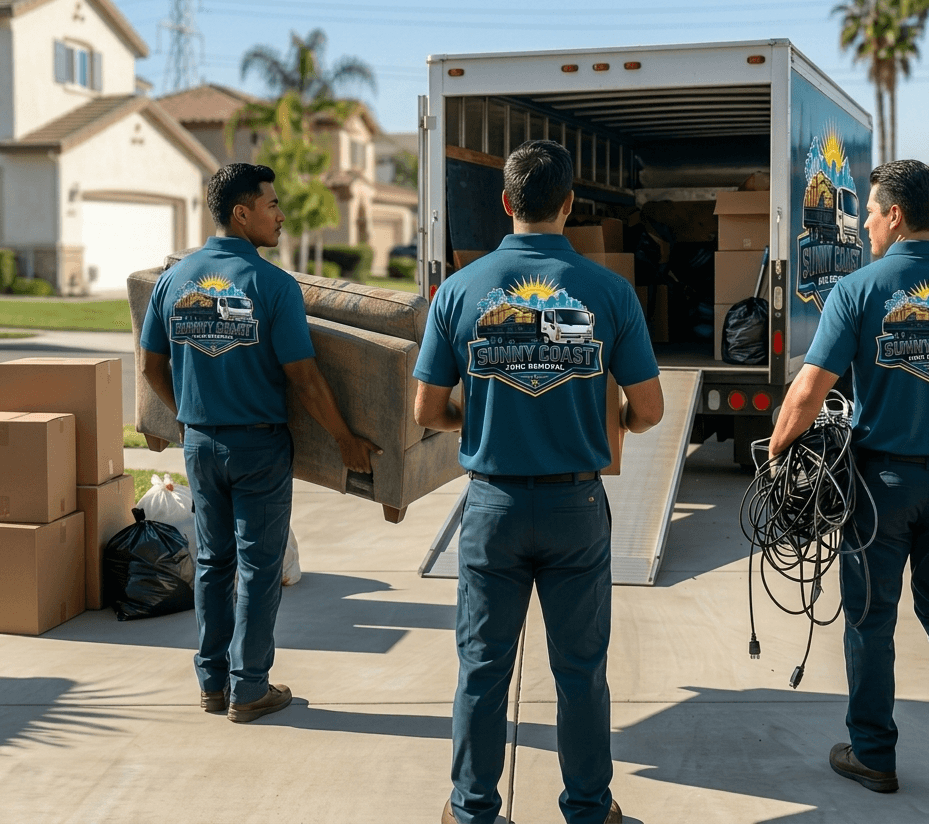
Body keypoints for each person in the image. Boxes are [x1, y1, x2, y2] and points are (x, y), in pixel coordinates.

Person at [413, 140, 664, 824]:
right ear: (570, 205)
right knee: (580, 671)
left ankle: (472, 810)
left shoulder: (459, 291)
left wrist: (480, 408)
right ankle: (588, 808)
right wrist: (605, 413)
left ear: (505, 203)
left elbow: (427, 409)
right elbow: (649, 410)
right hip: (576, 505)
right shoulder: (610, 293)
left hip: (490, 506)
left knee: (483, 668)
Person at [768, 159, 929, 798]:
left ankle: (873, 754)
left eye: (872, 217)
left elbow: (808, 391)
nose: (866, 231)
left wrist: (777, 452)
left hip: (880, 487)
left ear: (896, 215)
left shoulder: (857, 290)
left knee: (870, 620)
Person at [140, 163, 380, 723]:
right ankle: (249, 689)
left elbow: (150, 365)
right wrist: (345, 438)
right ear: (241, 213)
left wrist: (189, 416)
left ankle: (212, 685)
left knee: (212, 564)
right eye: (271, 204)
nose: (280, 214)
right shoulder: (272, 286)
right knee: (256, 568)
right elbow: (304, 377)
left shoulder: (173, 281)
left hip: (200, 444)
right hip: (258, 449)